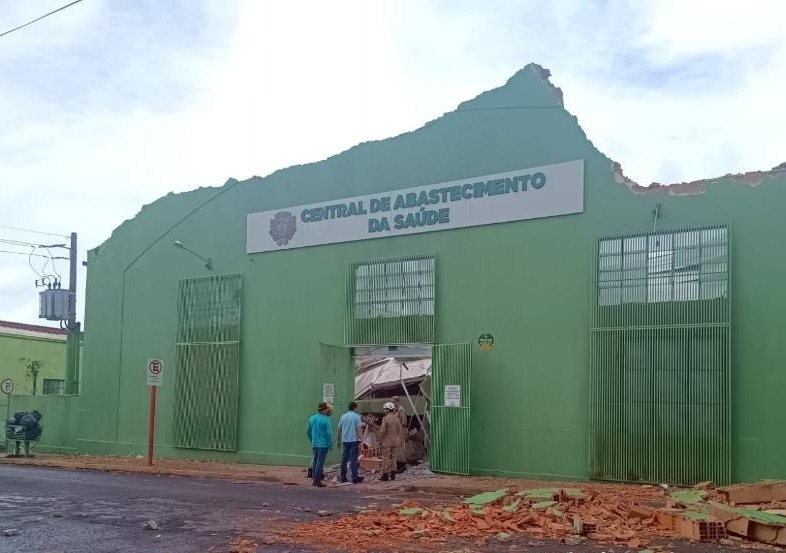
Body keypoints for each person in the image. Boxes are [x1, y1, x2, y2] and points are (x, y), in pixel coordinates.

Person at [306, 402, 333, 487]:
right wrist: (330, 443)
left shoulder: (312, 418)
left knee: (315, 462)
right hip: (323, 444)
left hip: (315, 444)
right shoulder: (326, 419)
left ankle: (314, 479)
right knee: (320, 463)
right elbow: (328, 433)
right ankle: (317, 481)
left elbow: (307, 431)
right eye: (326, 409)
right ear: (324, 410)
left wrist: (312, 439)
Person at [337, 401, 364, 484]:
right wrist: (362, 440)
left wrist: (338, 440)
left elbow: (339, 429)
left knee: (344, 459)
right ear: (355, 408)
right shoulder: (356, 417)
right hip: (353, 440)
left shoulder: (343, 416)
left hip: (344, 440)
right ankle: (355, 477)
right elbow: (359, 429)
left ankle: (343, 477)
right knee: (353, 459)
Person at [378, 402, 403, 482]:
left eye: (385, 409)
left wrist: (379, 440)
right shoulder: (397, 419)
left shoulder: (385, 419)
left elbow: (382, 431)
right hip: (395, 441)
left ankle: (385, 475)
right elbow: (399, 430)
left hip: (387, 442)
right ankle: (393, 475)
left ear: (388, 410)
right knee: (394, 457)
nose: (384, 410)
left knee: (385, 458)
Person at [392, 396, 408, 473]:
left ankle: (402, 465)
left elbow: (404, 421)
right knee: (397, 448)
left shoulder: (401, 410)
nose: (393, 403)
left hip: (400, 431)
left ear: (397, 401)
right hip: (397, 431)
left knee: (400, 447)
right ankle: (399, 463)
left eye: (394, 402)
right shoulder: (396, 410)